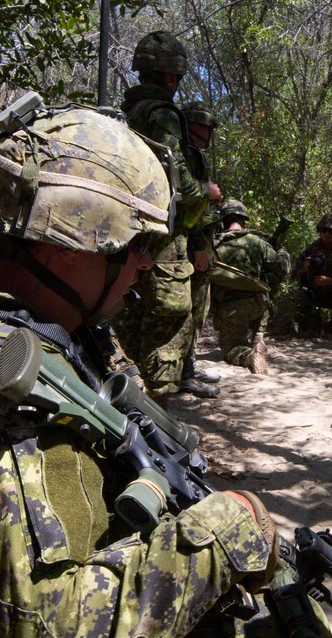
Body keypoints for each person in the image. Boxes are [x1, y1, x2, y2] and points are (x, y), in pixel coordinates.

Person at [0, 105, 285, 636]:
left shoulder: (67, 339)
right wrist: (224, 533)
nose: (146, 264)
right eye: (138, 245)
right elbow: (49, 625)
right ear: (71, 245)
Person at [115, 31, 222, 402]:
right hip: (163, 231)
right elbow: (175, 181)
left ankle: (161, 381)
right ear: (171, 76)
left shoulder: (126, 114)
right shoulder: (161, 115)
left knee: (139, 304)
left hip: (130, 227)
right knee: (172, 306)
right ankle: (159, 393)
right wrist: (207, 193)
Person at [209, 199, 290, 375]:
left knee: (231, 348)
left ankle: (248, 356)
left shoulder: (212, 245)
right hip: (257, 307)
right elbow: (281, 269)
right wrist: (283, 252)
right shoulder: (257, 242)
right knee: (266, 282)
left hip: (229, 309)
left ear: (222, 220)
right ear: (244, 220)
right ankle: (259, 335)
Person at [177, 100, 223, 398]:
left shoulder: (192, 155)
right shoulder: (185, 154)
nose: (207, 131)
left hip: (199, 239)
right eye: (203, 125)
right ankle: (182, 373)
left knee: (198, 310)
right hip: (190, 243)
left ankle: (189, 366)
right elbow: (190, 207)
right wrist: (198, 247)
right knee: (189, 312)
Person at [294, 213, 332, 338]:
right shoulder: (309, 250)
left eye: (331, 231)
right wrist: (304, 270)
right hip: (314, 293)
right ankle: (312, 322)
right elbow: (293, 276)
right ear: (319, 231)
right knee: (299, 295)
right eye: (324, 230)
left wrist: (330, 281)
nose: (327, 234)